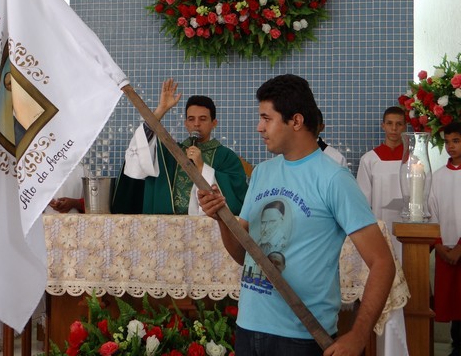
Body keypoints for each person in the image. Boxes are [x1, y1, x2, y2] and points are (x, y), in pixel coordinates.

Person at [197, 74, 395, 356]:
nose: (259, 127)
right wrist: (222, 219)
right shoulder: (262, 173)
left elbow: (383, 262)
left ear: (296, 121)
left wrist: (359, 334)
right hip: (248, 327)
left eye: (267, 118)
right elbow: (244, 255)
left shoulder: (333, 179)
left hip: (302, 337)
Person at [111, 78, 248, 215]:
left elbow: (237, 195)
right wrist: (161, 109)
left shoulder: (226, 156)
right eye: (191, 119)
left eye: (203, 119)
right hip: (169, 224)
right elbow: (142, 149)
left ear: (214, 123)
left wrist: (202, 167)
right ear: (186, 124)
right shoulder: (171, 152)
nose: (196, 124)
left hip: (209, 224)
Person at [356, 106, 406, 259]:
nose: (394, 128)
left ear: (404, 127)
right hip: (379, 226)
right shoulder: (369, 159)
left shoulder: (413, 160)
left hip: (406, 227)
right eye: (389, 123)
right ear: (383, 125)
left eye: (399, 124)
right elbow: (363, 200)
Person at [429, 122, 461, 356]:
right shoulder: (437, 177)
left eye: (456, 141)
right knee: (452, 306)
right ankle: (455, 347)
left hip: (458, 249)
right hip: (445, 250)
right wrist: (439, 246)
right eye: (447, 142)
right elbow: (432, 213)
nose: (450, 146)